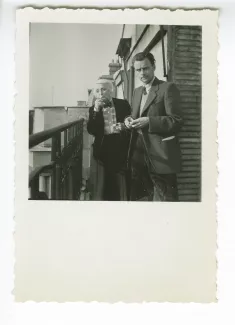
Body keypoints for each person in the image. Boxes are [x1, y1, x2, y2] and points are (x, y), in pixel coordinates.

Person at [126, 52, 183, 201]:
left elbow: (176, 121)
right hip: (138, 155)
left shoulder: (167, 88)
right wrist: (128, 120)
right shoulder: (137, 92)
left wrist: (149, 122)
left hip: (161, 156)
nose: (142, 73)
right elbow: (135, 115)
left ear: (154, 67)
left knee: (165, 201)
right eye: (138, 70)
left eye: (145, 68)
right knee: (142, 200)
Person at [87, 79, 131, 201]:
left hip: (120, 149)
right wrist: (96, 110)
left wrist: (124, 126)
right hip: (102, 151)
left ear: (111, 90)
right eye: (97, 90)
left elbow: (129, 122)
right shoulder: (92, 109)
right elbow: (92, 130)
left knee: (120, 188)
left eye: (103, 89)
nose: (100, 93)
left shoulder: (123, 104)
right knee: (103, 189)